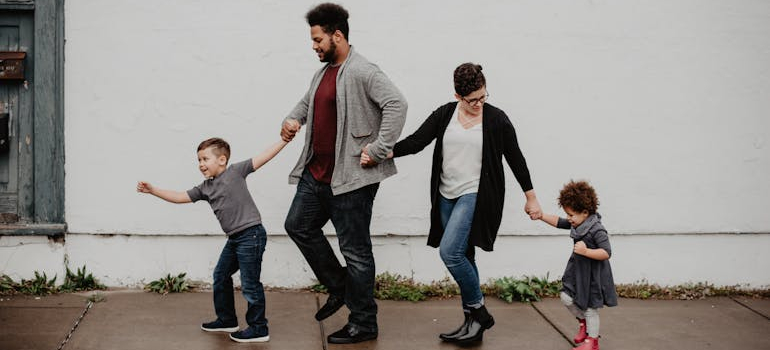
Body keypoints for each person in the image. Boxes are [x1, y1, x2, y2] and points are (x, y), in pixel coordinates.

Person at [366, 63, 542, 345]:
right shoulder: (446, 114)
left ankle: (479, 311)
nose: (479, 104)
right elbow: (417, 141)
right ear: (458, 96)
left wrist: (530, 197)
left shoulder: (496, 119)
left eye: (483, 97)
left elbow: (515, 158)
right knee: (465, 255)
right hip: (446, 195)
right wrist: (383, 153)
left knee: (450, 253)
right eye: (473, 100)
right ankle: (471, 325)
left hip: (476, 194)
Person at [280, 3, 407, 345]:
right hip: (316, 174)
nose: (314, 45)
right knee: (297, 225)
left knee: (356, 252)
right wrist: (292, 120)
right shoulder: (323, 72)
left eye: (318, 39)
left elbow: (397, 104)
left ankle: (364, 322)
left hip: (350, 180)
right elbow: (307, 103)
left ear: (337, 35)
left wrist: (378, 149)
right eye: (312, 39)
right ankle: (340, 289)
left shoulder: (363, 70)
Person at [136, 137, 288, 343]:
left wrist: (284, 140)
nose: (200, 164)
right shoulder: (205, 188)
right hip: (235, 238)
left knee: (250, 284)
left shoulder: (236, 172)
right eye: (198, 160)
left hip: (251, 235)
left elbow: (263, 157)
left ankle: (259, 328)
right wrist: (153, 190)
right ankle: (227, 319)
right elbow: (180, 197)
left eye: (205, 159)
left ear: (222, 160)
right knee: (221, 275)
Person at [536, 180, 618, 350]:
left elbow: (606, 252)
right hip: (578, 272)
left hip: (593, 276)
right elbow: (559, 222)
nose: (568, 218)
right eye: (567, 214)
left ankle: (592, 342)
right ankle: (584, 323)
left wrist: (586, 251)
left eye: (571, 214)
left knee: (590, 309)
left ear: (585, 212)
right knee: (566, 297)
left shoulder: (597, 229)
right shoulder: (578, 222)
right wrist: (541, 216)